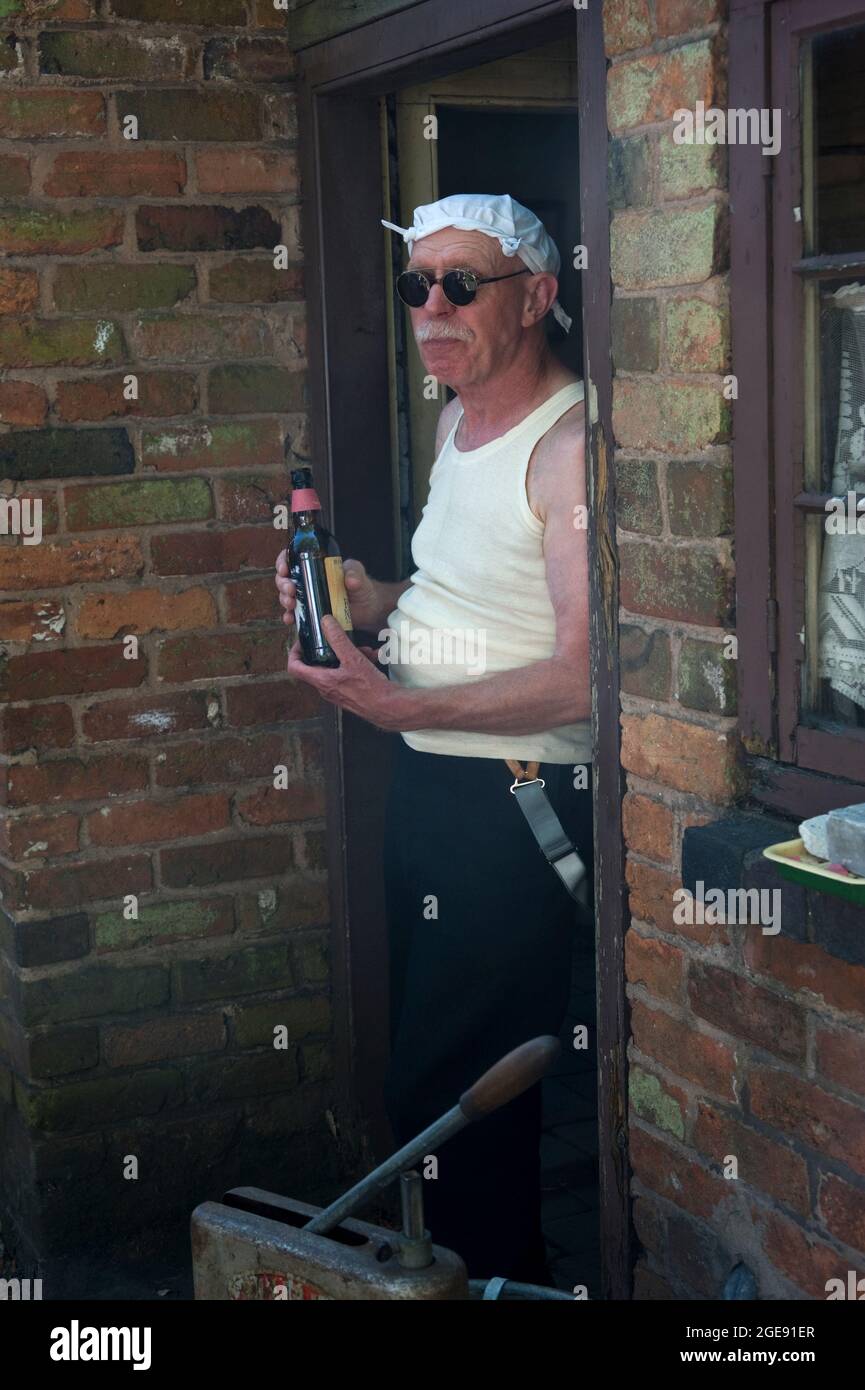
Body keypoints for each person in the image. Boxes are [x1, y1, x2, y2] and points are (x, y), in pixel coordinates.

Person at [275, 194, 594, 1284]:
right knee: (431, 1079)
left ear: (538, 297)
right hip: (435, 792)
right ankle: (469, 1274)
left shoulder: (568, 447)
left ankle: (491, 1276)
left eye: (463, 283)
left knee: (459, 1096)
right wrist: (368, 599)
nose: (433, 308)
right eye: (419, 285)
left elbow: (585, 675)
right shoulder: (462, 421)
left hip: (514, 800)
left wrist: (403, 706)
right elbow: (476, 596)